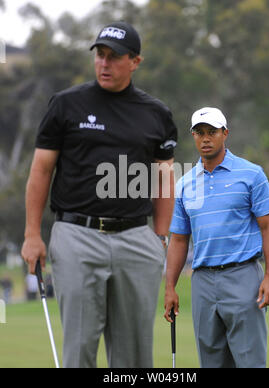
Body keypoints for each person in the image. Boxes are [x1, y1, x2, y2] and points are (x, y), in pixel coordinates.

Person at [21, 21, 177, 368]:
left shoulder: (157, 114)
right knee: (79, 350)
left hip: (137, 238)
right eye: (100, 56)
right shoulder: (65, 105)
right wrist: (32, 234)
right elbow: (41, 171)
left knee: (135, 356)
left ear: (135, 61)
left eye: (114, 57)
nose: (104, 64)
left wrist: (160, 239)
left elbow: (165, 180)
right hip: (77, 235)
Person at [164, 107, 269, 368]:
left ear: (225, 134)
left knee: (249, 362)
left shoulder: (251, 174)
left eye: (212, 132)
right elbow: (179, 240)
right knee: (212, 363)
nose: (205, 138)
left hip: (243, 277)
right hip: (202, 282)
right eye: (199, 133)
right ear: (193, 136)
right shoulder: (184, 184)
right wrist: (170, 287)